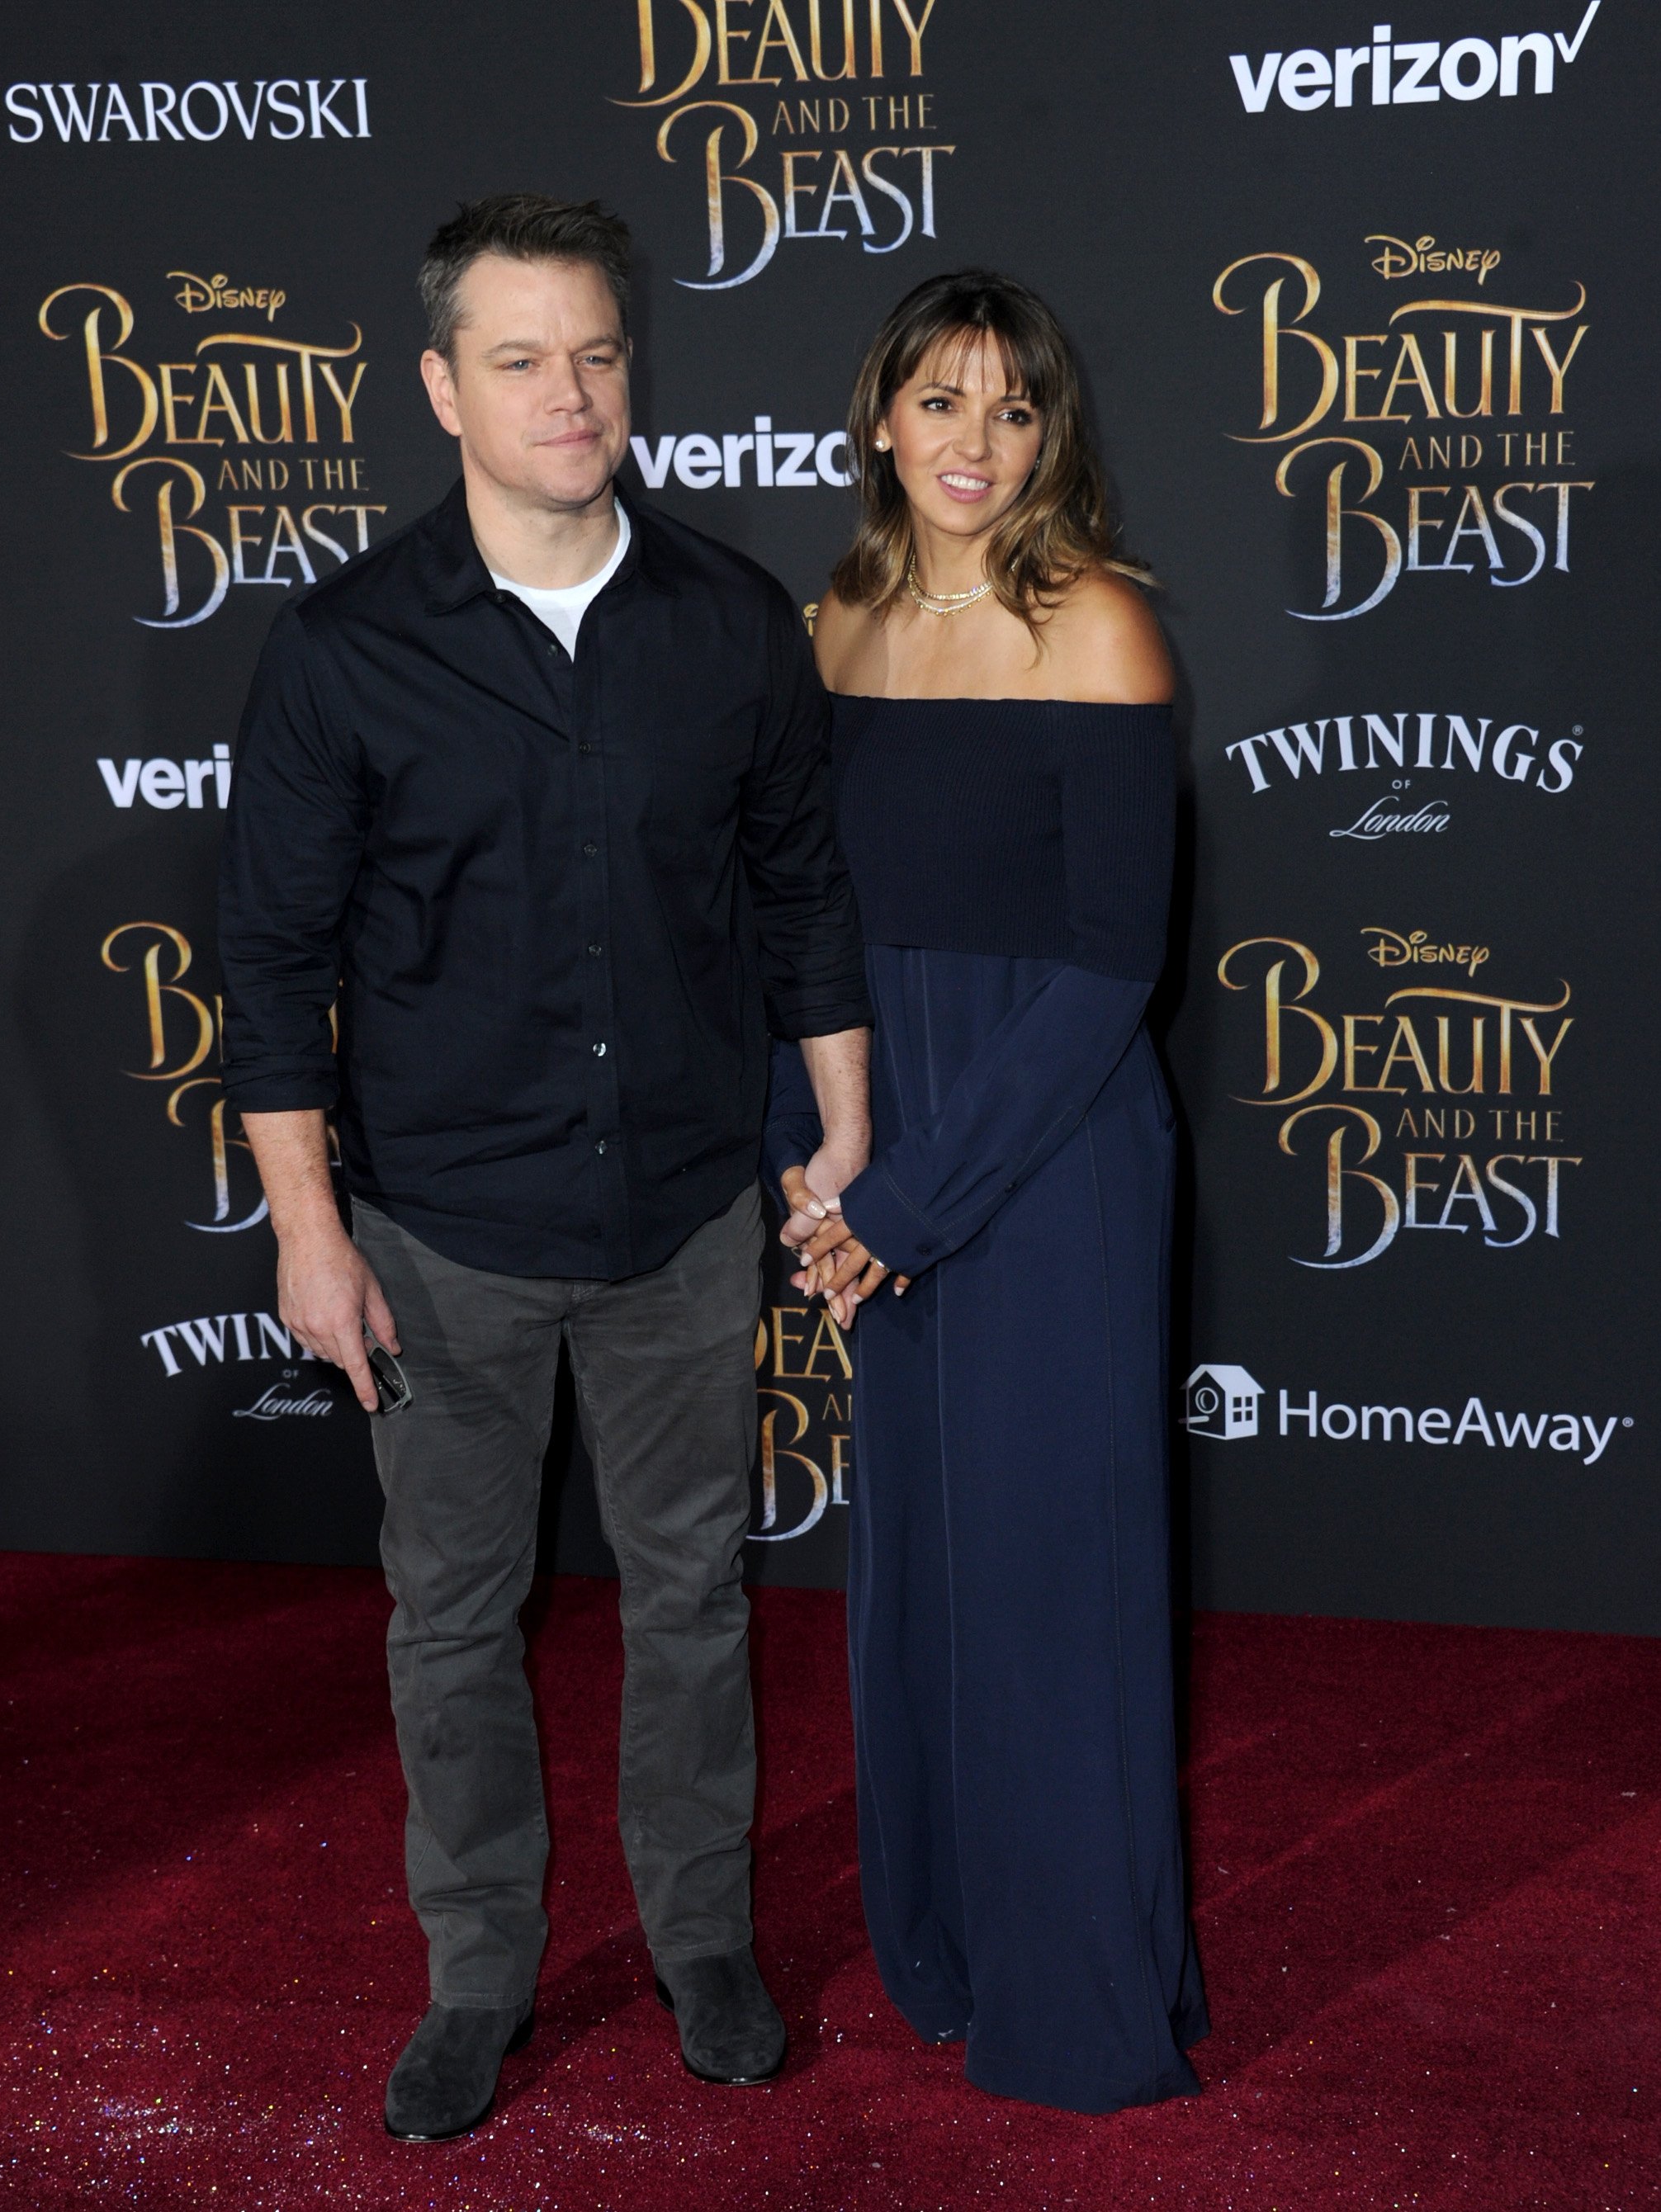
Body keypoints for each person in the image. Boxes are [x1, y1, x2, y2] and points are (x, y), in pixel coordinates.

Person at [217, 193, 873, 2143]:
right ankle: (478, 1970)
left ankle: (702, 1946)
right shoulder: (342, 651)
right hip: (439, 1232)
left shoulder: (732, 621)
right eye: (519, 358)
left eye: (593, 352)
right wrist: (309, 1234)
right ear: (440, 385)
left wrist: (840, 1127)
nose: (567, 393)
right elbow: (271, 965)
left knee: (690, 1597)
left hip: (681, 1213)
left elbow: (800, 895)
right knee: (452, 1618)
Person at [773, 269, 1208, 2115]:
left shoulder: (1098, 625)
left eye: (1011, 410)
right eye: (939, 403)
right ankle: (940, 1946)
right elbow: (802, 925)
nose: (974, 444)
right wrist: (819, 1157)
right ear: (878, 418)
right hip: (881, 1137)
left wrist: (909, 1198)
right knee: (920, 1584)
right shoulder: (831, 624)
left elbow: (1114, 969)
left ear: (1051, 435)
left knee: (1051, 1583)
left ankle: (1079, 1998)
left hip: (1048, 1147)